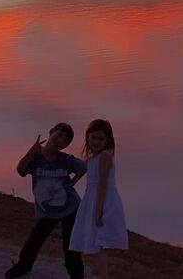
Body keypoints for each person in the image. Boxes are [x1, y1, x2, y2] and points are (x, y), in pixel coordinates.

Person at [5, 122, 86, 279]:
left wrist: (73, 182)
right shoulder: (36, 158)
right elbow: (21, 170)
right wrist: (32, 150)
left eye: (65, 140)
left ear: (65, 146)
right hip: (47, 210)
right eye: (59, 135)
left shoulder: (66, 160)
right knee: (35, 239)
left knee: (70, 245)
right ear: (51, 132)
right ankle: (22, 267)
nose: (60, 140)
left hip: (70, 207)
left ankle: (77, 275)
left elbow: (83, 168)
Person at [67, 119, 126, 278]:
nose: (97, 142)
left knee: (97, 244)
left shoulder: (105, 156)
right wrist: (68, 184)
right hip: (91, 200)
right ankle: (97, 272)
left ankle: (103, 274)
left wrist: (99, 212)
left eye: (101, 139)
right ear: (87, 137)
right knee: (92, 241)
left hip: (102, 201)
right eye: (94, 137)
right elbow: (80, 173)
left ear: (108, 141)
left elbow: (102, 185)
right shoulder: (92, 159)